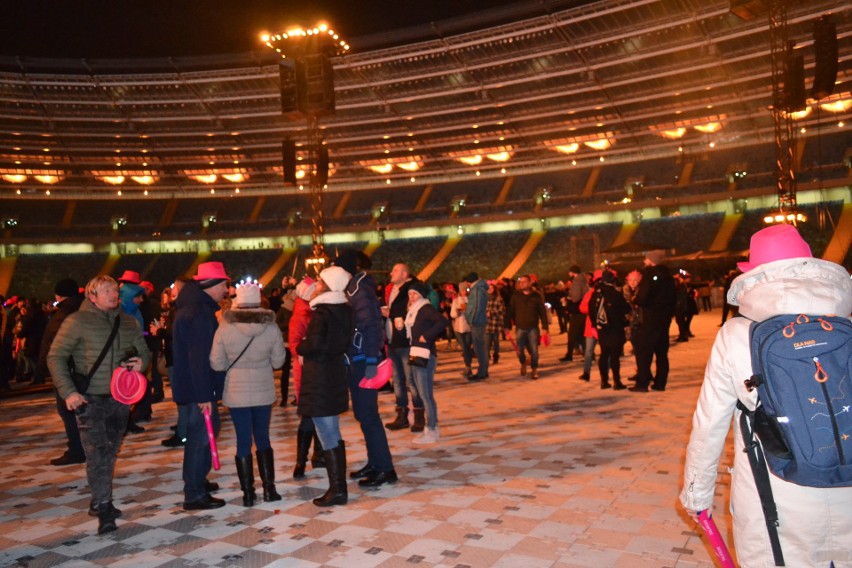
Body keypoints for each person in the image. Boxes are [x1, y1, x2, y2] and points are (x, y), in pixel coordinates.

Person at [680, 224, 852, 567]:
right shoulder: (845, 320)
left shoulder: (736, 334)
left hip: (777, 495)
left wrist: (697, 494)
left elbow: (709, 424)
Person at [47, 275, 151, 534]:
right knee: (97, 453)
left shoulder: (126, 322)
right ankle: (103, 504)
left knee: (111, 449)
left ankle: (100, 498)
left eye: (115, 290)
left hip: (120, 398)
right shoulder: (77, 321)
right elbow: (55, 356)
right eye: (106, 291)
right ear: (92, 296)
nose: (113, 294)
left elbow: (144, 351)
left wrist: (141, 363)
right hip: (89, 399)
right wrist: (68, 392)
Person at [210, 281, 287, 506]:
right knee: (263, 438)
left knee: (243, 441)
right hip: (263, 389)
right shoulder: (271, 327)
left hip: (236, 391)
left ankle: (248, 494)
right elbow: (278, 361)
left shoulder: (224, 326)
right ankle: (270, 490)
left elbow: (216, 363)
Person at [333, 250, 399, 488]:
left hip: (364, 360)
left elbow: (372, 326)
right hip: (356, 359)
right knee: (363, 415)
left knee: (369, 415)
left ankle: (385, 468)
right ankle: (375, 462)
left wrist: (372, 360)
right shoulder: (351, 290)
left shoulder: (361, 291)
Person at [172, 261, 230, 511]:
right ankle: (194, 494)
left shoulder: (194, 307)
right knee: (200, 438)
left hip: (195, 387)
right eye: (224, 285)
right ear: (213, 285)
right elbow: (199, 358)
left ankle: (197, 481)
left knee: (205, 434)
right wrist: (205, 394)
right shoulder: (199, 313)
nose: (226, 290)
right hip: (199, 390)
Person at [297, 266, 354, 507]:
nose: (316, 285)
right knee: (332, 430)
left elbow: (315, 344)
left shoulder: (322, 313)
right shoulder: (343, 310)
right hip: (334, 373)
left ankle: (337, 489)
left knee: (326, 431)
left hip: (320, 375)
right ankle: (338, 487)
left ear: (328, 285)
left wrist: (302, 346)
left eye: (320, 281)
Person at [39, 278, 85, 466]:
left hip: (66, 369)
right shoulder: (85, 309)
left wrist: (43, 369)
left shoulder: (62, 315)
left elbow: (52, 347)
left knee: (67, 410)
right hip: (81, 367)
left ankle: (76, 449)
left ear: (58, 295)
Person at [289, 277, 324, 479]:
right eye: (313, 290)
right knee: (309, 416)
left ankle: (319, 456)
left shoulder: (315, 310)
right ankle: (300, 461)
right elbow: (294, 345)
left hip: (316, 369)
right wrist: (306, 348)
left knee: (320, 413)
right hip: (305, 372)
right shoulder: (301, 315)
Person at [405, 282, 448, 444]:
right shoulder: (413, 311)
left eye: (415, 294)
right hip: (416, 353)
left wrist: (427, 335)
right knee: (422, 393)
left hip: (425, 354)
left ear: (422, 295)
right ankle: (430, 428)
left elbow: (443, 321)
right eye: (410, 294)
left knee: (426, 395)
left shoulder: (425, 308)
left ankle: (432, 429)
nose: (412, 297)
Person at [383, 263, 424, 432]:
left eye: (395, 270)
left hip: (406, 341)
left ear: (405, 273)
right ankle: (402, 414)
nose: (391, 273)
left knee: (412, 381)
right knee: (398, 381)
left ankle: (419, 415)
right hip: (393, 340)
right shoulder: (391, 289)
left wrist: (390, 312)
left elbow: (411, 310)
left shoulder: (412, 289)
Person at [629, 250, 676, 392]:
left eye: (646, 258)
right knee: (662, 353)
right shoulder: (669, 276)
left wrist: (635, 300)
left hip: (650, 318)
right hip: (664, 320)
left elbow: (643, 297)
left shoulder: (649, 275)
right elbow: (673, 298)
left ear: (652, 260)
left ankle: (642, 383)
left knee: (644, 351)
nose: (644, 261)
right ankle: (660, 383)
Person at [590, 269, 631, 390]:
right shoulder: (615, 293)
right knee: (614, 356)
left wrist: (595, 324)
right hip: (614, 327)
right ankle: (617, 382)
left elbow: (591, 310)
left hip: (602, 328)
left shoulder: (596, 293)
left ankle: (604, 381)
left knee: (604, 354)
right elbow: (625, 309)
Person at [507, 274, 549, 380]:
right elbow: (510, 311)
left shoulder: (536, 296)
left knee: (534, 350)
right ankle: (523, 363)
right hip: (520, 327)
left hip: (533, 328)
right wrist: (507, 326)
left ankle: (534, 368)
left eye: (524, 282)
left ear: (530, 283)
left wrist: (545, 327)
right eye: (520, 282)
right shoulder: (516, 296)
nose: (522, 284)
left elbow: (542, 313)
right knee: (519, 350)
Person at [464, 272, 489, 381]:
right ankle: (483, 371)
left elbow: (477, 306)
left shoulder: (477, 290)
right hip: (478, 321)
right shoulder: (479, 288)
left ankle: (482, 372)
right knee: (479, 348)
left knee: (479, 348)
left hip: (477, 322)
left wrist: (472, 319)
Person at [560, 265, 588, 362]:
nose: (569, 274)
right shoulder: (584, 280)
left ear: (573, 272)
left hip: (577, 310)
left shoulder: (577, 281)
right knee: (581, 333)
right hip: (583, 310)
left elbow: (575, 297)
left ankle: (569, 355)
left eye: (570, 272)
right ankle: (587, 354)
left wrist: (568, 298)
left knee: (572, 333)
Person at [450, 282, 475, 379]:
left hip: (468, 327)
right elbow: (452, 314)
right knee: (464, 347)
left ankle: (468, 367)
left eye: (466, 290)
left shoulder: (471, 300)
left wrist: (467, 310)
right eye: (462, 290)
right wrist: (457, 312)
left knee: (467, 347)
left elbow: (473, 312)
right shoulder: (456, 301)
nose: (464, 292)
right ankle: (468, 367)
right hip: (458, 328)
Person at [485, 281, 505, 365]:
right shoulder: (484, 299)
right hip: (486, 324)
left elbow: (502, 310)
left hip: (495, 323)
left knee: (496, 342)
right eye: (488, 288)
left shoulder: (498, 298)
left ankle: (496, 356)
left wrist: (491, 312)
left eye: (491, 288)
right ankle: (487, 357)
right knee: (487, 342)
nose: (490, 290)